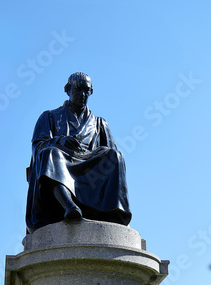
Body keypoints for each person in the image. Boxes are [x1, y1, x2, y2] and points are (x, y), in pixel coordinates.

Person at [25, 72, 132, 233]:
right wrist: (59, 141)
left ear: (91, 92)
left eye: (86, 90)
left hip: (90, 169)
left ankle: (114, 214)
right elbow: (38, 146)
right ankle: (69, 205)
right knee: (50, 154)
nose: (82, 94)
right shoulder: (49, 117)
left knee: (115, 156)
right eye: (78, 89)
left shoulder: (99, 123)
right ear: (68, 89)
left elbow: (111, 154)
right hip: (63, 162)